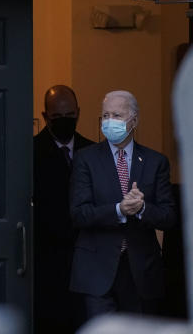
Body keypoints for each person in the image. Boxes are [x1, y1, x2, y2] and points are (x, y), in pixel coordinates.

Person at [69, 90, 176, 318]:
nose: (109, 122)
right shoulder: (85, 159)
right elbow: (79, 213)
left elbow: (168, 217)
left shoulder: (155, 162)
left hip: (140, 271)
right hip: (97, 270)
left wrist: (142, 209)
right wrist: (119, 210)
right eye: (105, 116)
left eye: (117, 115)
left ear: (134, 120)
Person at [32, 85, 94, 334]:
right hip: (48, 264)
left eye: (71, 114)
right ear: (45, 117)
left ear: (79, 113)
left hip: (87, 263)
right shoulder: (30, 153)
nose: (65, 120)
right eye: (58, 116)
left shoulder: (94, 152)